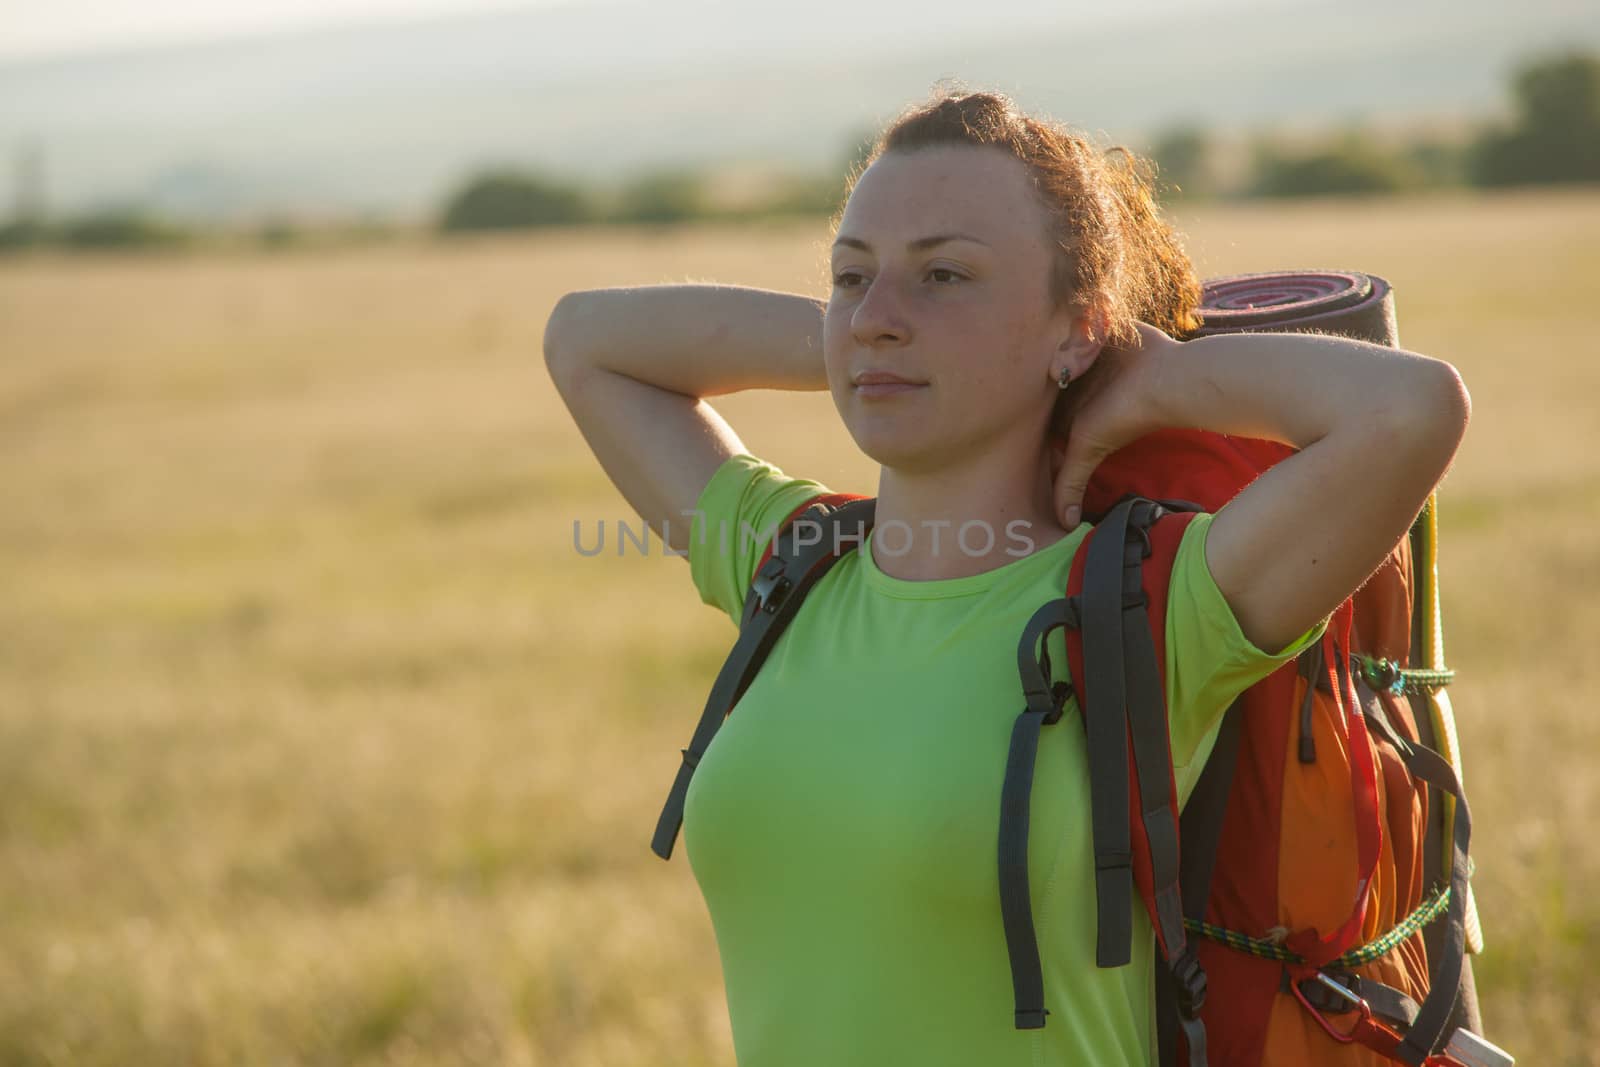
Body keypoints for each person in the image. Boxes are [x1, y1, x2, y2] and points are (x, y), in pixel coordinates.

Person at [542, 89, 1470, 1066]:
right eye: (851, 276)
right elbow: (585, 340)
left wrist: (1139, 376)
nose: (879, 315)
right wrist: (871, 338)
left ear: (1079, 330)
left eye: (945, 274)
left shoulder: (1155, 606)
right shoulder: (791, 564)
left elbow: (1411, 409)